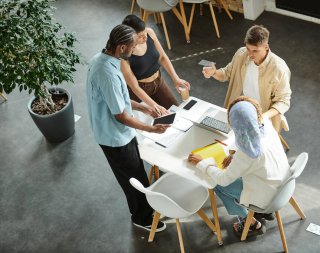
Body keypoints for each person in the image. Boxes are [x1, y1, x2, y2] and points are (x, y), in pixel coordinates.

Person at [86, 24, 170, 232]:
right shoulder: (108, 74)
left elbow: (119, 99)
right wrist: (151, 129)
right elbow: (121, 115)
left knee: (137, 172)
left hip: (118, 133)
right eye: (132, 47)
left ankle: (147, 209)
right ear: (122, 47)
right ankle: (142, 218)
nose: (134, 51)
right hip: (115, 138)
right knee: (133, 180)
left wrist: (144, 106)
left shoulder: (103, 59)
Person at [188, 96, 291, 237]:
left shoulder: (248, 155)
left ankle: (251, 224)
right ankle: (263, 213)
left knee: (216, 184)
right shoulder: (265, 123)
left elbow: (223, 179)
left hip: (266, 196)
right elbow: (251, 141)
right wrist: (234, 155)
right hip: (283, 183)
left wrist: (202, 163)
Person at [202, 25, 291, 132]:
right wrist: (214, 72)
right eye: (248, 49)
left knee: (251, 146)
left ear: (266, 47)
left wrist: (262, 117)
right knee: (220, 135)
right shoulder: (241, 54)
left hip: (262, 115)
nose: (250, 54)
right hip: (239, 108)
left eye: (255, 51)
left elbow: (283, 101)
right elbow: (226, 73)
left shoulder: (279, 68)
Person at [121, 14, 191, 115]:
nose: (145, 37)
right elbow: (135, 87)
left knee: (175, 113)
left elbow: (162, 57)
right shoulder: (123, 54)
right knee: (154, 121)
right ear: (130, 37)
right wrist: (155, 106)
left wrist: (176, 79)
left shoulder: (149, 33)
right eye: (140, 36)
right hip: (139, 91)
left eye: (144, 32)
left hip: (158, 82)